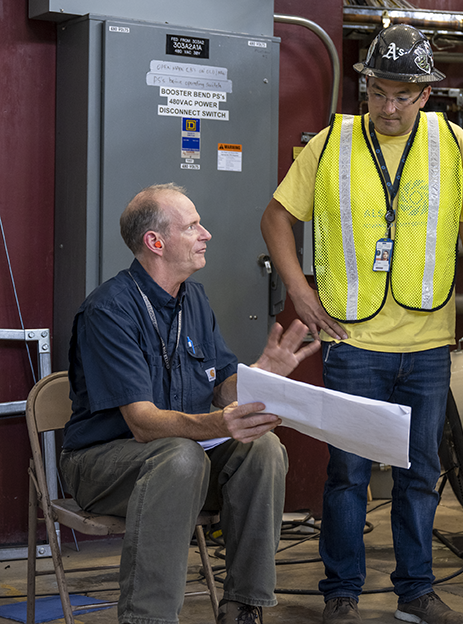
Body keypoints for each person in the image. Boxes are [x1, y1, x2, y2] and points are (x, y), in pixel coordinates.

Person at [261, 24, 463, 624]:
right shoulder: (329, 144)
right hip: (353, 342)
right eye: (377, 92)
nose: (387, 108)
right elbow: (274, 218)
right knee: (346, 475)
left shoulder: (453, 144)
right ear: (365, 86)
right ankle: (341, 593)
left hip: (426, 345)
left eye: (402, 95)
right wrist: (299, 289)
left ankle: (415, 594)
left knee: (420, 474)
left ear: (426, 94)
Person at [60, 183, 321, 624]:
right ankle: (149, 618)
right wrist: (221, 424)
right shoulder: (109, 310)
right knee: (180, 457)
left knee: (263, 450)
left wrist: (261, 374)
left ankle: (243, 606)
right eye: (193, 225)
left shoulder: (193, 299)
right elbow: (142, 424)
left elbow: (222, 388)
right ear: (155, 243)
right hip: (103, 464)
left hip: (183, 460)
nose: (207, 234)